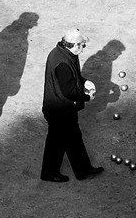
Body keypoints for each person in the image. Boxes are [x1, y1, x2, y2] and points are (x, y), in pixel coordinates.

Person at [40, 28, 104, 182]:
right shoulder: (63, 63)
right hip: (61, 110)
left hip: (60, 108)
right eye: (82, 46)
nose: (83, 50)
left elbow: (73, 79)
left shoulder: (63, 53)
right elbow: (69, 91)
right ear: (74, 45)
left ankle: (81, 170)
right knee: (61, 142)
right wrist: (87, 97)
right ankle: (52, 173)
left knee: (70, 139)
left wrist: (83, 81)